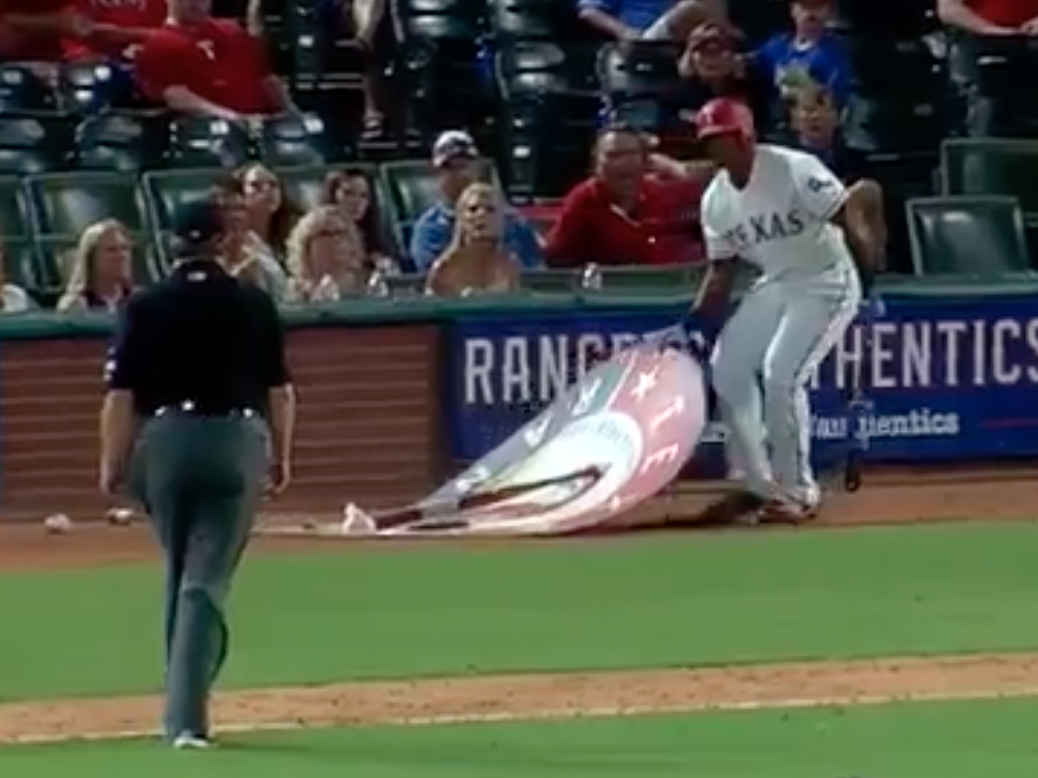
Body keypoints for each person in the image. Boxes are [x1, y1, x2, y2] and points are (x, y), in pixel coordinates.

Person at [99, 197, 294, 748]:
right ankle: (187, 718)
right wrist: (283, 456)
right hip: (235, 439)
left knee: (180, 570)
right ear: (223, 241)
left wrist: (111, 463)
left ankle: (179, 699)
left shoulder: (145, 305)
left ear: (173, 243)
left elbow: (121, 396)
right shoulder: (252, 303)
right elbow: (280, 392)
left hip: (162, 442)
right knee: (203, 582)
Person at [684, 97, 880, 524]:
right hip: (775, 281)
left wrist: (867, 281)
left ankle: (797, 491)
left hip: (826, 277)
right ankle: (757, 484)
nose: (719, 148)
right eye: (711, 142)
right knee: (728, 366)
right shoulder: (716, 199)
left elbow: (846, 216)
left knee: (781, 376)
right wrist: (694, 323)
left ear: (746, 136)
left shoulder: (794, 168)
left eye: (725, 138)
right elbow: (721, 271)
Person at [545, 125, 708, 267]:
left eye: (631, 154)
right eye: (613, 155)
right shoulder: (583, 201)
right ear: (596, 163)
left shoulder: (663, 191)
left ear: (645, 160)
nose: (623, 163)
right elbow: (555, 258)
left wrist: (675, 168)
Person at [133, 0, 299, 120]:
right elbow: (177, 97)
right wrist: (233, 118)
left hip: (264, 125)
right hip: (206, 128)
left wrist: (293, 114)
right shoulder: (160, 43)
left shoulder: (233, 31)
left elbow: (266, 78)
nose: (196, 3)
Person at [409, 130, 543, 273]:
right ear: (437, 174)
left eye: (465, 166)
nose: (461, 175)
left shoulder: (514, 222)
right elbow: (435, 282)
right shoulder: (429, 229)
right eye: (451, 168)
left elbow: (539, 275)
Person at [754, 0, 852, 111]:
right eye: (805, 7)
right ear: (793, 9)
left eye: (817, 7)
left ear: (828, 11)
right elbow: (752, 66)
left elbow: (834, 96)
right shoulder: (776, 46)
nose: (811, 13)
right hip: (776, 118)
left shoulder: (836, 52)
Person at [426, 182, 522, 296]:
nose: (481, 214)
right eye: (473, 209)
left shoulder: (509, 265)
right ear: (461, 218)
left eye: (489, 209)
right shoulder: (444, 268)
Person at [284, 204, 369, 302]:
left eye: (340, 233)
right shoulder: (294, 291)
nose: (336, 239)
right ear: (306, 244)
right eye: (326, 233)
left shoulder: (368, 285)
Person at [57, 219, 136, 313]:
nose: (121, 256)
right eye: (111, 250)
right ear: (92, 257)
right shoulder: (76, 305)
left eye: (125, 249)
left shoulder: (140, 302)